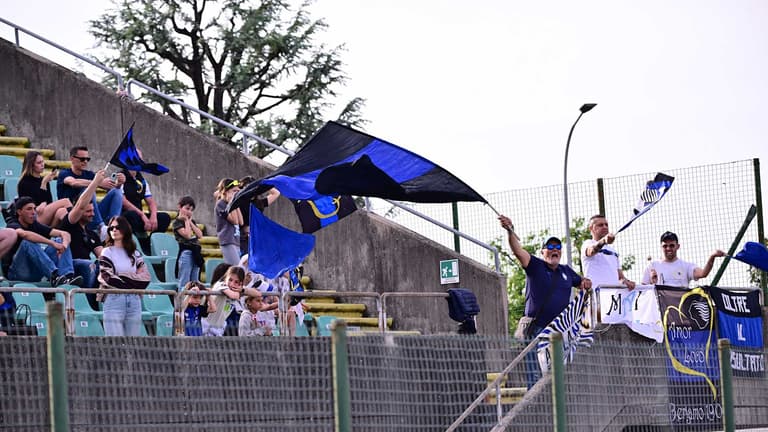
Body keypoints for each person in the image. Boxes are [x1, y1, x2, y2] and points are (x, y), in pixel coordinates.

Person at [499, 214, 591, 388]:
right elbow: (517, 250)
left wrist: (586, 282)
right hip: (538, 330)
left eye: (557, 247)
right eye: (550, 246)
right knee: (535, 372)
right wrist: (510, 231)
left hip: (560, 332)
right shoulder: (535, 266)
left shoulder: (566, 271)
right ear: (542, 252)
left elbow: (582, 284)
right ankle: (537, 408)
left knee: (559, 371)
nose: (554, 249)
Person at [2, 196, 82, 293]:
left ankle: (67, 277)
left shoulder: (34, 224)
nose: (33, 212)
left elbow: (65, 234)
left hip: (35, 272)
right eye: (29, 209)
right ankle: (54, 276)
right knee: (28, 242)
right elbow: (24, 234)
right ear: (19, 212)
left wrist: (63, 246)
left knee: (59, 240)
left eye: (34, 209)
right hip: (16, 272)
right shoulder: (12, 224)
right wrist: (52, 243)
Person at [59, 169, 107, 308]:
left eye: (93, 211)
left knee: (100, 265)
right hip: (70, 266)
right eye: (88, 211)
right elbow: (80, 206)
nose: (92, 214)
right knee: (89, 264)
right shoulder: (69, 224)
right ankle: (90, 303)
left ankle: (95, 302)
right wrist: (96, 182)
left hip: (87, 268)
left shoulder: (92, 234)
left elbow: (102, 254)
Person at [98, 216, 151, 336]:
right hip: (114, 299)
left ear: (125, 229)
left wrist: (121, 276)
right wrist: (133, 277)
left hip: (134, 300)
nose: (114, 230)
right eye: (111, 228)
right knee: (115, 344)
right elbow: (108, 278)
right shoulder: (106, 252)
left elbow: (146, 278)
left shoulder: (135, 253)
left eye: (117, 227)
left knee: (132, 344)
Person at [57, 146, 125, 237]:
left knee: (117, 192)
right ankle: (100, 228)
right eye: (82, 159)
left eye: (87, 159)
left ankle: (114, 226)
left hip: (91, 214)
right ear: (72, 159)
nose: (85, 161)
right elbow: (73, 182)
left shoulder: (89, 174)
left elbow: (109, 187)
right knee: (89, 191)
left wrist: (119, 183)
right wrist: (96, 183)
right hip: (74, 215)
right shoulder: (64, 173)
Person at [120, 150, 171, 252]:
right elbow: (124, 202)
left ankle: (149, 243)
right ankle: (134, 244)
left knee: (165, 218)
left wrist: (153, 216)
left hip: (140, 217)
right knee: (130, 215)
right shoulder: (121, 176)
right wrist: (142, 215)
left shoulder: (141, 180)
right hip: (126, 216)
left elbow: (151, 202)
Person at [642, 231, 725, 288]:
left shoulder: (686, 266)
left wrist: (712, 257)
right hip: (660, 311)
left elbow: (703, 273)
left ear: (678, 246)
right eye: (665, 246)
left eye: (671, 245)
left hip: (680, 309)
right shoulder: (652, 266)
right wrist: (652, 284)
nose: (668, 248)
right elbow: (642, 289)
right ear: (661, 247)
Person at [17, 151, 72, 226]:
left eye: (43, 162)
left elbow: (49, 201)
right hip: (32, 218)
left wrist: (44, 183)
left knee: (61, 211)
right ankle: (79, 231)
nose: (42, 165)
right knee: (65, 201)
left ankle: (72, 233)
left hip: (44, 216)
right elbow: (29, 206)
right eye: (39, 163)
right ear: (31, 165)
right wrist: (43, 184)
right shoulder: (24, 182)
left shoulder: (43, 179)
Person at [581, 215, 635, 290]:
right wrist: (604, 241)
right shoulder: (587, 243)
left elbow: (620, 276)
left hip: (614, 295)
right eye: (600, 225)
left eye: (606, 225)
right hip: (596, 295)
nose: (605, 227)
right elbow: (591, 251)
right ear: (591, 228)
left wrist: (627, 281)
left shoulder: (613, 251)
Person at [172, 196, 204, 292]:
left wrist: (190, 222)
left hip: (196, 253)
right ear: (180, 207)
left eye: (191, 210)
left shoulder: (191, 222)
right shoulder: (177, 222)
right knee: (184, 282)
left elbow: (200, 234)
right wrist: (186, 221)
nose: (189, 211)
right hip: (186, 253)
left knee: (195, 282)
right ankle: (181, 304)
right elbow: (188, 235)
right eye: (187, 208)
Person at [203, 265, 246, 336]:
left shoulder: (238, 290)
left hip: (219, 328)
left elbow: (256, 293)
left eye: (236, 282)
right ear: (226, 277)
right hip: (206, 327)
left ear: (241, 283)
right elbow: (233, 295)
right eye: (230, 280)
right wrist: (241, 291)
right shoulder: (221, 285)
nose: (232, 284)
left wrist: (242, 290)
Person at [214, 178, 243, 265]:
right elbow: (234, 221)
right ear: (225, 192)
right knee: (236, 267)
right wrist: (231, 203)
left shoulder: (232, 204)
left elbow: (240, 222)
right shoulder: (221, 204)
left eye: (238, 191)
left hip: (236, 240)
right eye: (234, 191)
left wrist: (235, 204)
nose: (236, 194)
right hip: (227, 240)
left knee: (236, 268)